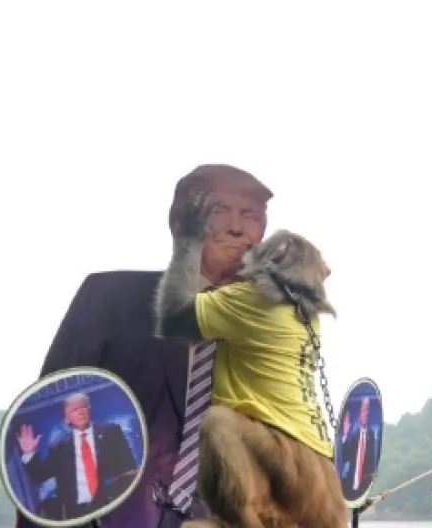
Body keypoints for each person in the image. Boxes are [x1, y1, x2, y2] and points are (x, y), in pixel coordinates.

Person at [16, 164, 273, 528]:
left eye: (250, 216)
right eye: (218, 210)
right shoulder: (110, 299)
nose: (236, 227)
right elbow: (46, 416)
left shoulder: (272, 328)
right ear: (179, 222)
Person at [153, 195, 346, 528]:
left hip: (282, 461)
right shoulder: (305, 316)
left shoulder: (251, 300)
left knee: (218, 422)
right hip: (319, 480)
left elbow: (173, 318)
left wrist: (188, 243)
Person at [16, 392, 139, 521]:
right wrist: (29, 453)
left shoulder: (111, 432)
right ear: (67, 419)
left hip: (112, 504)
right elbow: (40, 475)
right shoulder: (59, 447)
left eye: (83, 407)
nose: (80, 412)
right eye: (74, 410)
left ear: (89, 410)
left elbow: (128, 466)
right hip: (76, 514)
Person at [340, 396, 380, 497]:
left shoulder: (371, 435)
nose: (365, 413)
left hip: (365, 485)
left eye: (367, 410)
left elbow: (372, 461)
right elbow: (345, 457)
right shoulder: (354, 435)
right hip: (351, 484)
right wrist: (345, 435)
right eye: (363, 410)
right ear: (360, 412)